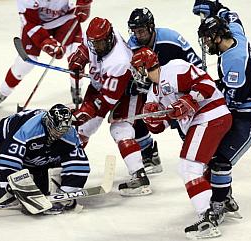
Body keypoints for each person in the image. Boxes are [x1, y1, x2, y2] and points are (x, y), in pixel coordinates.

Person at [189, 0, 251, 235]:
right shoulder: (234, 32)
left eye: (207, 39)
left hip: (249, 115)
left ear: (217, 36)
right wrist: (213, 6)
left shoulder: (233, 62)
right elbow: (230, 14)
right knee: (213, 157)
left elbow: (230, 102)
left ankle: (217, 206)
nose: (206, 45)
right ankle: (224, 196)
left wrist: (200, 97)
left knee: (220, 162)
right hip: (240, 108)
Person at [130, 47, 232, 239]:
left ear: (145, 67)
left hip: (211, 115)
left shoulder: (174, 68)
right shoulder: (153, 93)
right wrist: (155, 119)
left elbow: (207, 85)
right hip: (200, 122)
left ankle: (207, 217)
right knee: (193, 168)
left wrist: (188, 100)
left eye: (137, 69)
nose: (136, 74)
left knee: (188, 167)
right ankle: (216, 207)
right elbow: (161, 126)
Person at [68, 17, 152, 196]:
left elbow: (106, 101)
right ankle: (64, 167)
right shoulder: (95, 37)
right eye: (93, 43)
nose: (95, 47)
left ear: (108, 39)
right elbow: (85, 45)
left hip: (128, 92)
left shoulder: (119, 61)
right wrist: (81, 56)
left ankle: (139, 177)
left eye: (99, 43)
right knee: (81, 130)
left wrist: (88, 110)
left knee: (120, 129)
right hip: (101, 84)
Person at [126, 7, 203, 174]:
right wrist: (133, 83)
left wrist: (194, 90)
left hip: (180, 88)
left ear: (151, 26)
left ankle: (200, 155)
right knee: (138, 112)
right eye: (134, 31)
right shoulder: (132, 45)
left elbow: (197, 65)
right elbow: (132, 74)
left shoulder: (172, 39)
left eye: (141, 30)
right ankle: (149, 154)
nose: (138, 35)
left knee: (184, 119)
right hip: (155, 89)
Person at [0, 104, 90, 215]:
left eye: (64, 130)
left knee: (43, 189)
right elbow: (7, 161)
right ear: (49, 122)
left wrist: (66, 194)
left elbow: (79, 165)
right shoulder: (28, 130)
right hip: (5, 137)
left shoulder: (69, 134)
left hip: (36, 152)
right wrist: (9, 185)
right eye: (58, 130)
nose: (60, 134)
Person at [0, 0, 92, 108]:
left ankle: (76, 87)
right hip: (37, 24)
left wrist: (84, 3)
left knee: (77, 57)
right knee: (26, 62)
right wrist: (46, 42)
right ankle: (3, 91)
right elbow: (30, 22)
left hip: (65, 19)